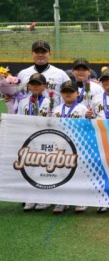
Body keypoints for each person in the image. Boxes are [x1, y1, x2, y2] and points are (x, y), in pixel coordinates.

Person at [51, 80, 90, 214]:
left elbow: (89, 126)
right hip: (60, 145)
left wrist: (91, 117)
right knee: (61, 173)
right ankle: (62, 201)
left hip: (78, 145)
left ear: (77, 93)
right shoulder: (56, 110)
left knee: (78, 173)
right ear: (61, 93)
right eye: (65, 92)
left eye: (71, 92)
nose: (68, 94)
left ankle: (80, 200)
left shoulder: (83, 109)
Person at [17, 73, 52, 212]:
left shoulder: (51, 102)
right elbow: (19, 120)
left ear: (45, 86)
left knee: (45, 169)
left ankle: (45, 198)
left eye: (39, 83)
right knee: (30, 168)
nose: (36, 86)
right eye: (33, 83)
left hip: (45, 139)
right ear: (29, 86)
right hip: (28, 139)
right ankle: (30, 197)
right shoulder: (23, 102)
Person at [9, 40, 70, 112]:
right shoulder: (23, 74)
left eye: (43, 52)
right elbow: (16, 95)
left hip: (53, 116)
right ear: (32, 53)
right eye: (37, 52)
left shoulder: (60, 74)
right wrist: (8, 96)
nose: (40, 55)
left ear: (49, 54)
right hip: (28, 116)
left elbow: (70, 95)